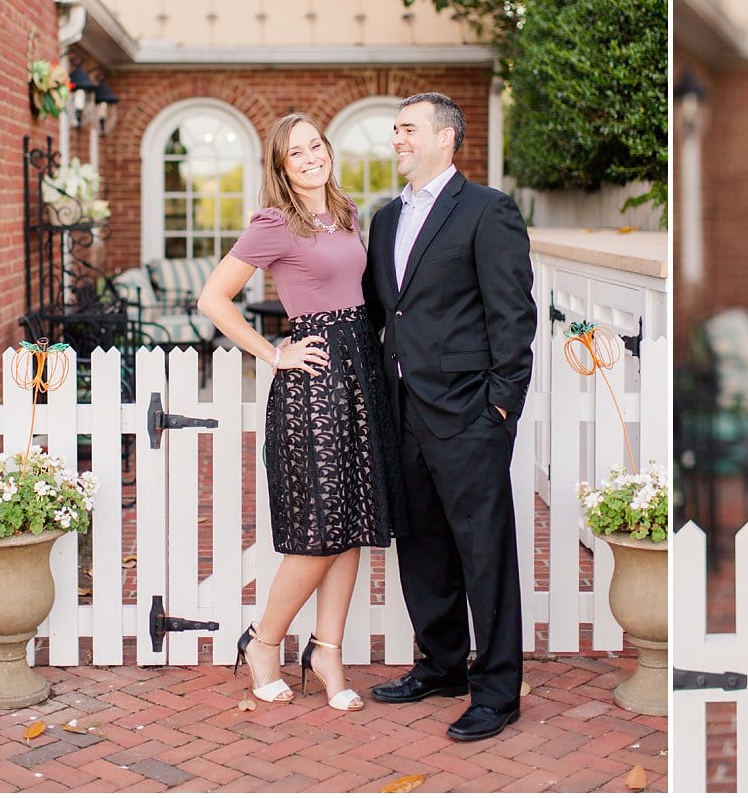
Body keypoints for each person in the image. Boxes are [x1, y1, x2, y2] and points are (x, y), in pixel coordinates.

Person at [198, 112, 403, 712]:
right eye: (297, 152)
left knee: (355, 522)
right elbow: (214, 298)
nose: (311, 156)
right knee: (317, 530)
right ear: (281, 166)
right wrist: (271, 352)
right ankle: (264, 644)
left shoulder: (346, 213)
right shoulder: (273, 223)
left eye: (316, 144)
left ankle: (327, 651)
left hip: (362, 366)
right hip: (313, 378)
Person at [362, 92, 536, 743]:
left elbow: (514, 317)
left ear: (445, 138)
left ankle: (496, 689)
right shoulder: (384, 220)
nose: (397, 139)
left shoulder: (487, 211)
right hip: (403, 407)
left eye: (408, 128)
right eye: (395, 130)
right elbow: (383, 314)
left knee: (482, 549)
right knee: (424, 544)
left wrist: (500, 405)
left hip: (469, 411)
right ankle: (440, 665)